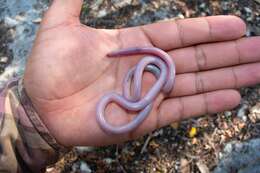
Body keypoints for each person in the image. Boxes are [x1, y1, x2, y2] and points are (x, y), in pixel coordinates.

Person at [0, 0, 260, 172]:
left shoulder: (148, 75)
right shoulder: (142, 80)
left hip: (151, 79)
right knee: (144, 83)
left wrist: (30, 121)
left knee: (147, 80)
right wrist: (34, 117)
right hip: (146, 83)